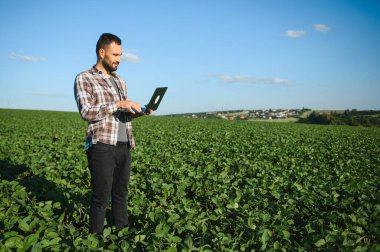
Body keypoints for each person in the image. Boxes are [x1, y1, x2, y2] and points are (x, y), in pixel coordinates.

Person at [74, 33, 150, 234]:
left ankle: (121, 236)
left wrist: (140, 112)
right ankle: (95, 239)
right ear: (102, 52)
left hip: (124, 144)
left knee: (121, 194)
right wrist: (119, 103)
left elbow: (121, 114)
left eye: (121, 55)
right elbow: (87, 112)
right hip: (102, 145)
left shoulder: (120, 81)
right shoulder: (85, 78)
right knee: (101, 196)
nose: (119, 59)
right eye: (115, 54)